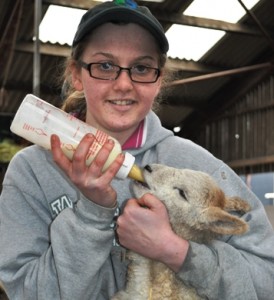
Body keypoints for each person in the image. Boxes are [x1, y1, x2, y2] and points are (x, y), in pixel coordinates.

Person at [0, 0, 274, 299]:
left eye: (141, 68)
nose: (123, 84)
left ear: (159, 81)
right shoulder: (33, 171)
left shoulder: (199, 168)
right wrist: (90, 215)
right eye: (105, 65)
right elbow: (27, 293)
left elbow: (265, 281)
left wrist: (175, 250)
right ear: (76, 74)